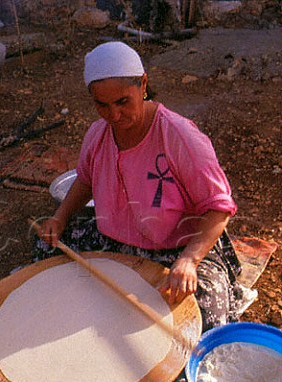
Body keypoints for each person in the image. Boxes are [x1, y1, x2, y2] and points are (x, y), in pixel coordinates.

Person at [37, 41, 247, 332]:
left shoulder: (179, 136)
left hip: (177, 248)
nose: (114, 116)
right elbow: (85, 180)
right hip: (118, 241)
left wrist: (189, 259)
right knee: (45, 245)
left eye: (123, 101)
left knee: (204, 325)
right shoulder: (98, 134)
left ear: (143, 84)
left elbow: (219, 208)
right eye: (102, 105)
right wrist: (59, 218)